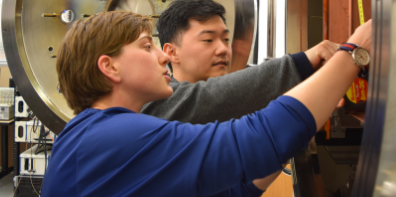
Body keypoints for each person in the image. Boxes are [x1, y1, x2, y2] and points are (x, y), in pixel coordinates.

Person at [42, 11, 372, 197]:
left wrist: (299, 126)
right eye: (146, 47)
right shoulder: (112, 136)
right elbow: (257, 139)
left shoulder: (96, 134)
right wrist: (355, 50)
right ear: (109, 67)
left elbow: (231, 195)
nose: (161, 56)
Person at [142, 0, 340, 123]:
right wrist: (304, 62)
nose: (223, 49)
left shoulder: (239, 103)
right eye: (208, 40)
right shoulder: (156, 101)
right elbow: (209, 98)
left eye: (226, 39)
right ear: (172, 52)